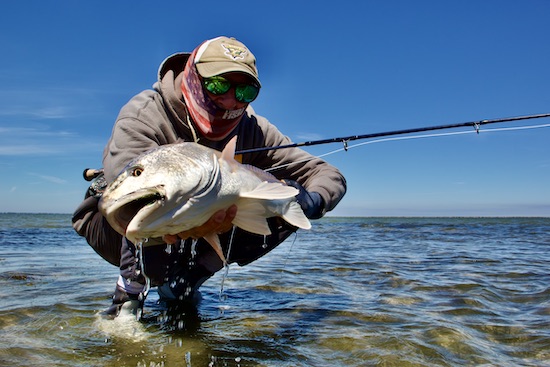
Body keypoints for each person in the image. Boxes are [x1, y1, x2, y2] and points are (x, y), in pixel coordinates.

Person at [72, 36, 346, 318]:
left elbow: (327, 175)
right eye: (218, 85)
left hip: (211, 226)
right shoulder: (145, 114)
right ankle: (128, 293)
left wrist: (312, 200)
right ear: (191, 76)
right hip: (114, 226)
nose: (230, 101)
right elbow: (126, 186)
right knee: (146, 201)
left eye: (245, 92)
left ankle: (186, 281)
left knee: (283, 205)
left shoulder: (255, 130)